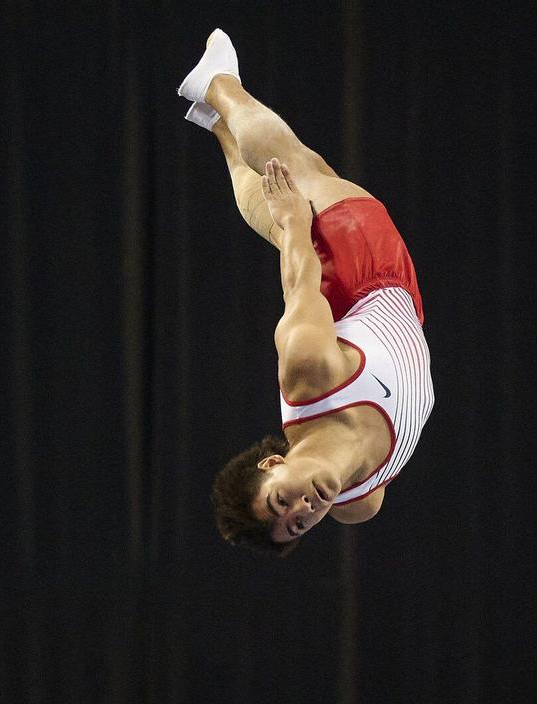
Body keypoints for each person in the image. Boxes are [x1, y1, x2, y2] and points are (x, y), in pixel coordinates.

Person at [180, 30, 435, 556]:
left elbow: (301, 283)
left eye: (281, 502)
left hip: (358, 272)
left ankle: (219, 86)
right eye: (296, 525)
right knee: (282, 198)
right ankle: (217, 124)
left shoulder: (309, 372)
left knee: (299, 172)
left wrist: (297, 227)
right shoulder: (359, 503)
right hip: (400, 305)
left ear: (273, 464)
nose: (303, 509)